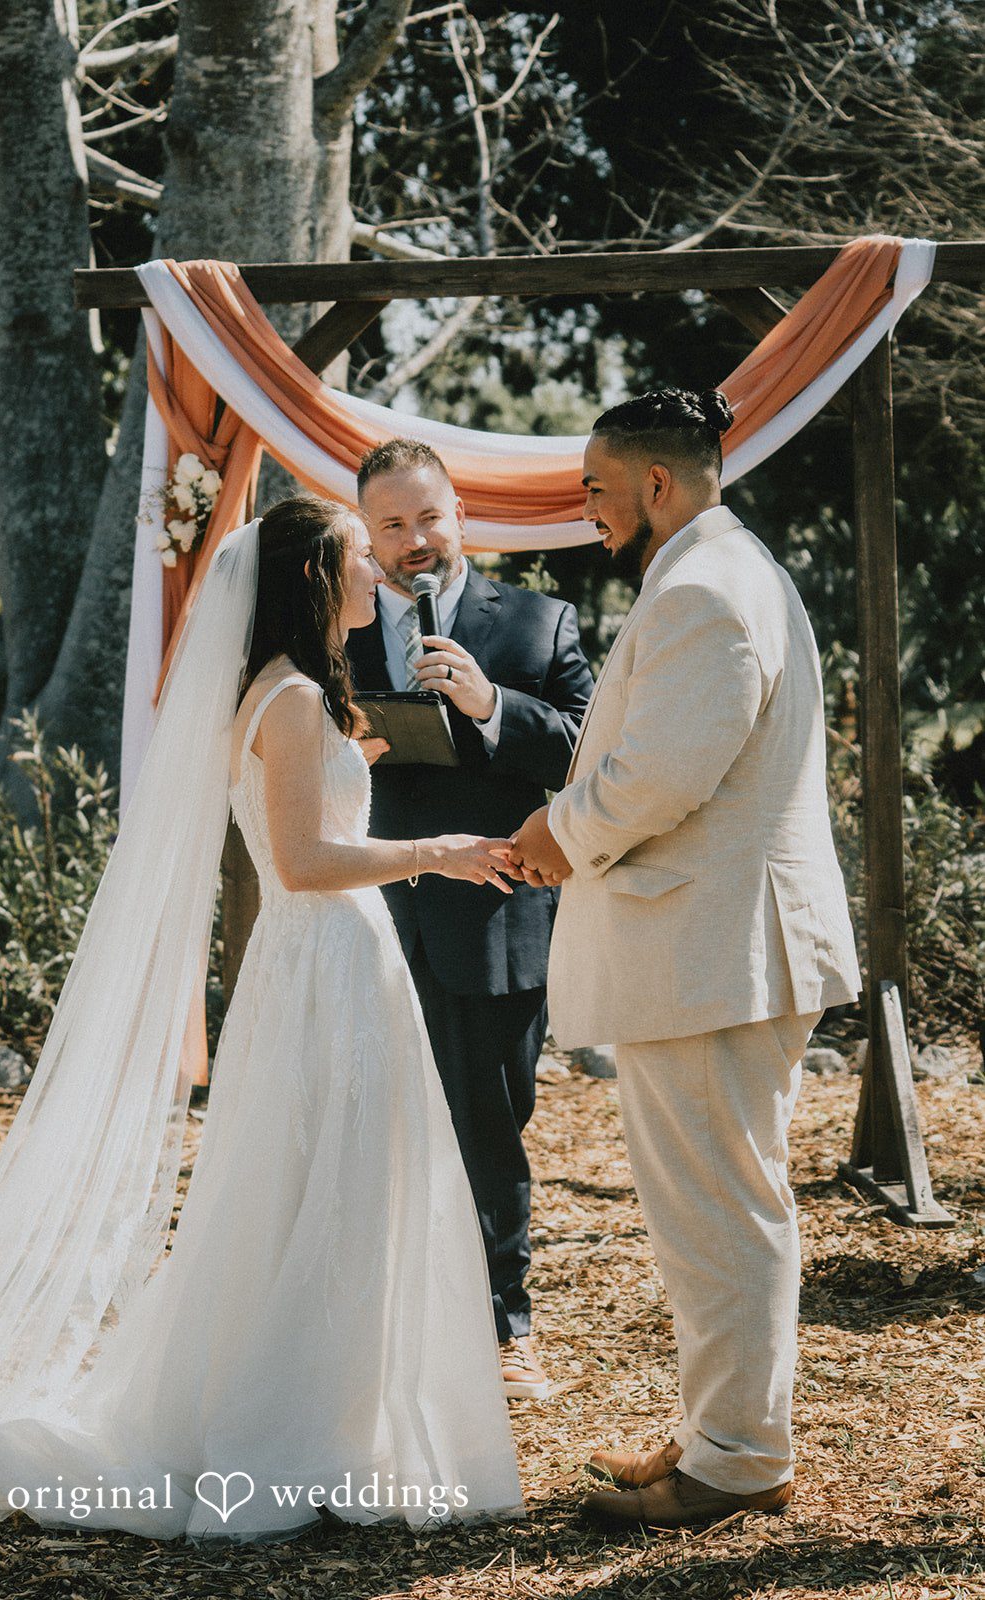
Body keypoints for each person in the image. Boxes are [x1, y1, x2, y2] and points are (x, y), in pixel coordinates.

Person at [0, 495, 523, 1543]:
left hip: (331, 962)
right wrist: (441, 851)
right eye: (354, 562)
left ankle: (343, 1418)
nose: (374, 576)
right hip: (325, 960)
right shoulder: (287, 700)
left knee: (334, 1188)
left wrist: (358, 763)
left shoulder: (294, 697)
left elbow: (306, 813)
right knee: (315, 1190)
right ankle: (295, 1429)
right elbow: (301, 862)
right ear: (311, 581)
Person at [510, 388, 862, 1529]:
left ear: (656, 482)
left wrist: (553, 834)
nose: (587, 510)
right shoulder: (721, 569)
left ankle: (735, 1460)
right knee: (720, 1203)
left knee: (718, 1210)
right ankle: (725, 1428)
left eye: (596, 489)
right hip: (718, 948)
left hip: (718, 954)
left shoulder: (708, 588)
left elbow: (662, 774)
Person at [348, 440, 594, 1401]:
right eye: (393, 525)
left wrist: (492, 704)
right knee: (366, 1125)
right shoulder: (337, 624)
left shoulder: (536, 621)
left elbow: (587, 753)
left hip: (493, 922)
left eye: (429, 518)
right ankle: (383, 1322)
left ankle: (504, 1328)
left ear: (461, 516)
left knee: (489, 1129)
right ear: (367, 534)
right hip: (364, 919)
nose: (415, 541)